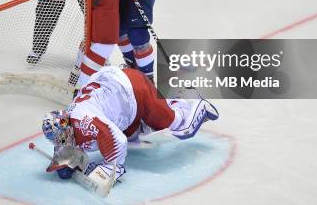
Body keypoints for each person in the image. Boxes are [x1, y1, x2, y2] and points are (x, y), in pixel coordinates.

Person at [41, 65, 219, 189]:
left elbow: (115, 138)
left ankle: (194, 103)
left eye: (62, 138)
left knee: (174, 124)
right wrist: (64, 163)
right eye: (59, 140)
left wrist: (111, 167)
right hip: (118, 99)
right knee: (135, 137)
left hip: (134, 89)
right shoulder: (64, 124)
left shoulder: (84, 121)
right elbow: (64, 146)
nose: (62, 142)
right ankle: (161, 108)